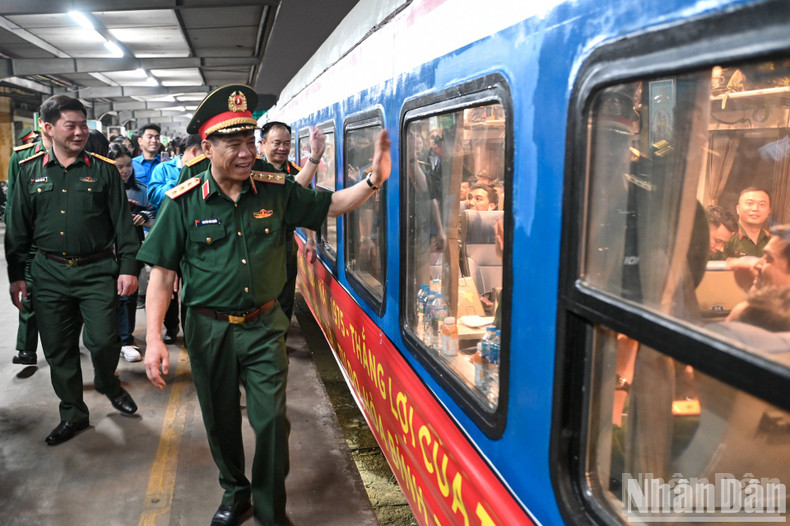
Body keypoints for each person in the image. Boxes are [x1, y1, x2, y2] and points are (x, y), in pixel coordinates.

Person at [138, 84, 391, 526]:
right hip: (207, 327)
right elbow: (161, 274)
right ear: (207, 147)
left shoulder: (276, 190)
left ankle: (271, 509)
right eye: (233, 143)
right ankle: (235, 492)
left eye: (250, 141)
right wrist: (155, 338)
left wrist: (373, 181)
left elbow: (331, 205)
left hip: (263, 326)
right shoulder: (185, 200)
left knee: (271, 420)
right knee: (219, 420)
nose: (245, 152)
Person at [5, 94, 140, 446]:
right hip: (48, 273)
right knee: (58, 348)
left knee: (103, 341)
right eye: (72, 125)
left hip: (96, 271)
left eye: (83, 125)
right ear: (48, 129)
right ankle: (73, 414)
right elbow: (17, 226)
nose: (80, 132)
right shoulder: (27, 169)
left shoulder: (105, 170)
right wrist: (16, 274)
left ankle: (109, 383)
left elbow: (123, 226)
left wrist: (128, 268)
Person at [259, 121, 323, 321]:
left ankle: (280, 344)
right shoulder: (251, 170)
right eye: (277, 143)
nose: (282, 148)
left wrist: (310, 240)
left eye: (287, 143)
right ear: (263, 144)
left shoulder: (296, 172)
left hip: (285, 244)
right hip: (256, 245)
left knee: (285, 299)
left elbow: (305, 208)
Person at [146, 133, 205, 343]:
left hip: (195, 237)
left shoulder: (205, 170)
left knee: (191, 286)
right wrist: (182, 184)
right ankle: (171, 327)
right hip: (170, 234)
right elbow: (153, 195)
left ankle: (191, 332)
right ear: (195, 152)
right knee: (167, 287)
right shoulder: (163, 169)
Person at [6, 120, 50, 365]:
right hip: (32, 238)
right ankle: (26, 348)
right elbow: (14, 201)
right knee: (29, 292)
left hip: (57, 237)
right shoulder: (22, 158)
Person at [109, 144, 155, 361]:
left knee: (128, 294)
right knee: (110, 296)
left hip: (132, 248)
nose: (125, 170)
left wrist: (143, 216)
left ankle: (127, 340)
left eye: (128, 165)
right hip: (106, 250)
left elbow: (155, 213)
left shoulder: (140, 189)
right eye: (119, 167)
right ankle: (110, 337)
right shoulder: (102, 190)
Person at [723, 186, 771, 258]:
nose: (755, 209)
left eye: (762, 204)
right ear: (738, 209)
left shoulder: (772, 240)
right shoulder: (725, 237)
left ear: (768, 211)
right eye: (749, 203)